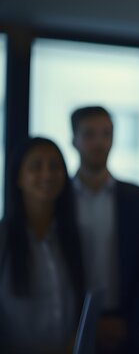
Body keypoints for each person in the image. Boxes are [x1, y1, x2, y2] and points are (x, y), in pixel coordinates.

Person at [70, 106, 139, 353]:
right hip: (69, 325)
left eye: (106, 134)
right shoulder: (59, 198)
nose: (99, 142)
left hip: (127, 326)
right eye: (89, 134)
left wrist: (129, 320)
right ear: (74, 140)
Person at [0, 137, 85, 354]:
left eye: (55, 166)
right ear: (18, 177)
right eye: (36, 167)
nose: (47, 174)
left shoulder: (70, 237)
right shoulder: (4, 238)